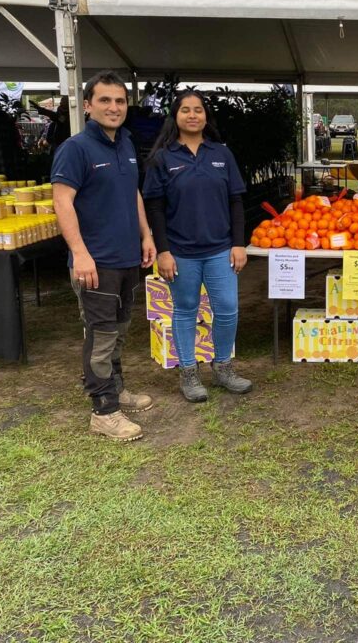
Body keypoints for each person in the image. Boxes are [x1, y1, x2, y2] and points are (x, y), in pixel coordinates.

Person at [51, 71, 157, 441]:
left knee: (120, 331)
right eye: (105, 100)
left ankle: (116, 388)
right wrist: (79, 253)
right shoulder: (76, 148)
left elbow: (134, 194)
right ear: (89, 105)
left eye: (120, 101)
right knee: (100, 335)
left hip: (127, 257)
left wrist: (146, 235)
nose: (114, 107)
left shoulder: (125, 144)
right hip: (96, 262)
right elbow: (62, 201)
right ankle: (104, 411)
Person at [142, 90, 252, 403]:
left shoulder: (221, 153)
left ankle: (223, 368)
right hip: (180, 252)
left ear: (206, 116)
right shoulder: (163, 157)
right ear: (175, 116)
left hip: (220, 250)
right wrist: (163, 250)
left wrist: (238, 243)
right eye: (186, 110)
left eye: (199, 110)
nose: (193, 115)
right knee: (186, 311)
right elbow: (155, 208)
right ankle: (189, 373)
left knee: (227, 309)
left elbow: (236, 201)